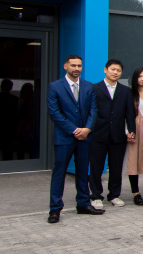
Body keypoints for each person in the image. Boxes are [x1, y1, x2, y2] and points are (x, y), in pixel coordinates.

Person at [47, 55, 103, 223]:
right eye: (73, 65)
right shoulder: (55, 86)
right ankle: (55, 209)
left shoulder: (88, 86)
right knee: (59, 173)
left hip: (85, 137)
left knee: (82, 172)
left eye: (79, 65)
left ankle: (83, 204)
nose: (77, 68)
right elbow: (54, 112)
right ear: (65, 66)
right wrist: (74, 130)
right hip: (64, 138)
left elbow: (94, 110)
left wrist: (86, 129)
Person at [88, 59, 136, 209]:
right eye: (113, 69)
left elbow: (130, 112)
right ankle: (96, 195)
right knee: (96, 166)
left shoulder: (125, 91)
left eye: (118, 71)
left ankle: (114, 194)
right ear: (105, 70)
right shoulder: (94, 88)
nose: (115, 72)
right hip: (98, 134)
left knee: (116, 166)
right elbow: (90, 111)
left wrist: (131, 130)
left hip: (118, 135)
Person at [126, 67, 143, 206]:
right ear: (135, 78)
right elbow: (125, 114)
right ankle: (135, 193)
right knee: (133, 160)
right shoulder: (129, 94)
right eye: (140, 76)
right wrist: (128, 131)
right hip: (134, 128)